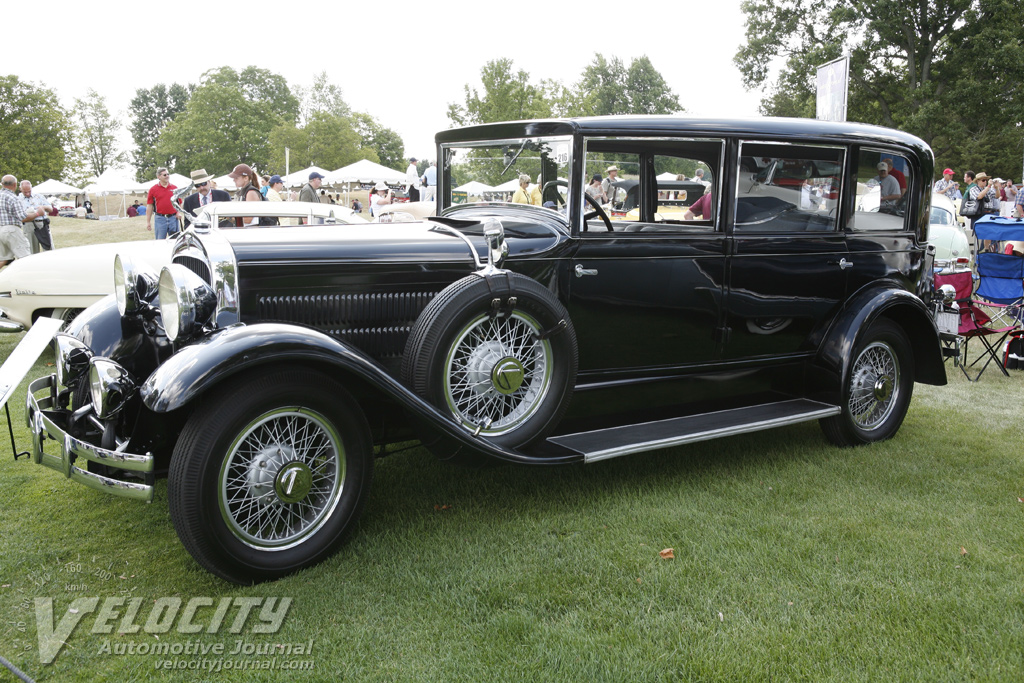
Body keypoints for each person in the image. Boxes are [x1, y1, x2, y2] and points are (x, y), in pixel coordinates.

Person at [0, 175, 39, 266]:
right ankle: (27, 275)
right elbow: (23, 217)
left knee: (4, 259)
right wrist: (37, 214)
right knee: (25, 257)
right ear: (15, 185)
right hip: (12, 230)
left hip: (0, 230)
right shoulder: (13, 198)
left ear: (2, 184)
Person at [20, 180, 54, 252]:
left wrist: (44, 207)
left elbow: (50, 209)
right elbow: (20, 218)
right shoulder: (18, 199)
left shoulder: (39, 196)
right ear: (20, 189)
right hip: (28, 225)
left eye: (29, 191)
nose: (27, 193)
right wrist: (37, 214)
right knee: (32, 250)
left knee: (48, 248)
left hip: (42, 224)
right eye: (25, 192)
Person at [145, 167, 179, 239]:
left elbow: (179, 202)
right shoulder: (153, 190)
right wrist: (148, 222)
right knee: (160, 241)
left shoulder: (174, 188)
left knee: (175, 240)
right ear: (158, 177)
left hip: (173, 218)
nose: (167, 176)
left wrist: (178, 213)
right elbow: (150, 206)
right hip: (160, 219)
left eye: (168, 174)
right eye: (164, 175)